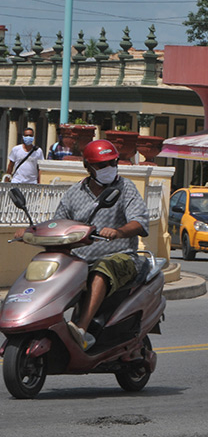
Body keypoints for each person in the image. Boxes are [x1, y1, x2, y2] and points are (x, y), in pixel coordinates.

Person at [54, 140, 149, 351]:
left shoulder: (125, 187)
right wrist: (30, 232)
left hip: (122, 257)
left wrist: (119, 232)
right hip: (79, 260)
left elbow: (140, 221)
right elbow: (59, 224)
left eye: (112, 163)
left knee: (100, 270)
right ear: (87, 167)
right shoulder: (73, 194)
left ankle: (80, 329)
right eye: (102, 165)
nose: (109, 169)